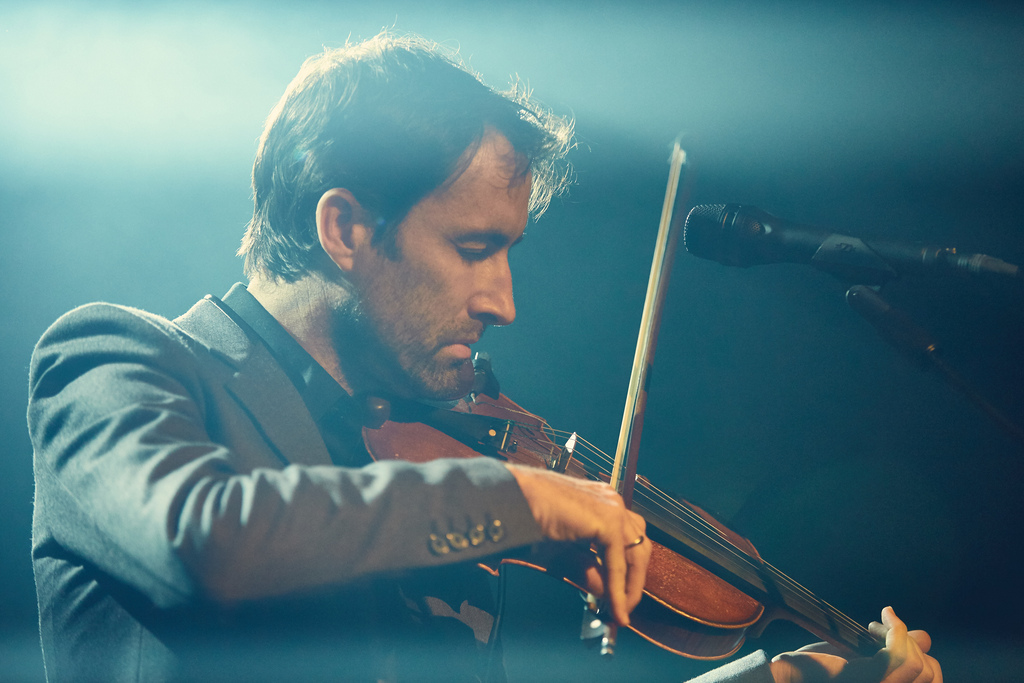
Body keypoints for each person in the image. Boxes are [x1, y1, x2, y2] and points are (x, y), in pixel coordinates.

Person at [27, 32, 940, 683]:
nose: (505, 301)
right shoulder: (120, 358)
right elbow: (205, 541)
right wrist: (524, 499)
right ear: (344, 226)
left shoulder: (440, 458)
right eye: (473, 249)